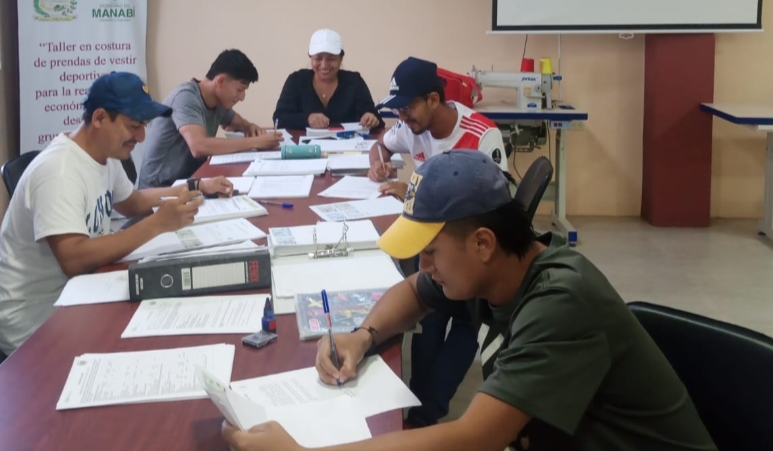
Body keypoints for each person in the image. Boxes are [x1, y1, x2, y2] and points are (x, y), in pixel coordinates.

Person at [223, 150, 717, 451]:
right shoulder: (491, 271)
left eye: (431, 252)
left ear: (482, 243)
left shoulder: (562, 303)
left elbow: (474, 438)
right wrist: (362, 336)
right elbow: (413, 293)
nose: (424, 267)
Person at [0, 72, 206, 355]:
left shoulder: (104, 156)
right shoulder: (59, 173)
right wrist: (157, 224)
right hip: (34, 321)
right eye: (133, 126)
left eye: (143, 126)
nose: (141, 137)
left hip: (79, 291)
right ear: (100, 118)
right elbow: (74, 260)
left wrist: (192, 187)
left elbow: (133, 202)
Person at [367, 56, 508, 427]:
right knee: (427, 319)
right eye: (398, 110)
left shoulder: (482, 135)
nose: (402, 117)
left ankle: (427, 413)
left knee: (464, 323)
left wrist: (418, 195)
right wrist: (377, 161)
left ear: (433, 99)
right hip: (428, 242)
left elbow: (498, 210)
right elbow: (381, 144)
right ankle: (415, 400)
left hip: (469, 250)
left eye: (408, 108)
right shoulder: (411, 126)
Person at [137, 48, 281, 190]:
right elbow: (199, 146)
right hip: (160, 191)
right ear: (220, 81)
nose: (242, 97)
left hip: (190, 183)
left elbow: (235, 121)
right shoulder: (186, 98)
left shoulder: (218, 102)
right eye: (240, 89)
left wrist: (248, 126)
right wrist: (255, 142)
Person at [272, 29, 382, 131]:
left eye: (331, 59)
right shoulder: (296, 80)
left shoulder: (354, 82)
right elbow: (279, 118)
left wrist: (370, 118)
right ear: (311, 58)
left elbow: (376, 118)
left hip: (346, 143)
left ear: (341, 59)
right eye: (318, 58)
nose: (324, 65)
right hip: (303, 145)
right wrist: (307, 119)